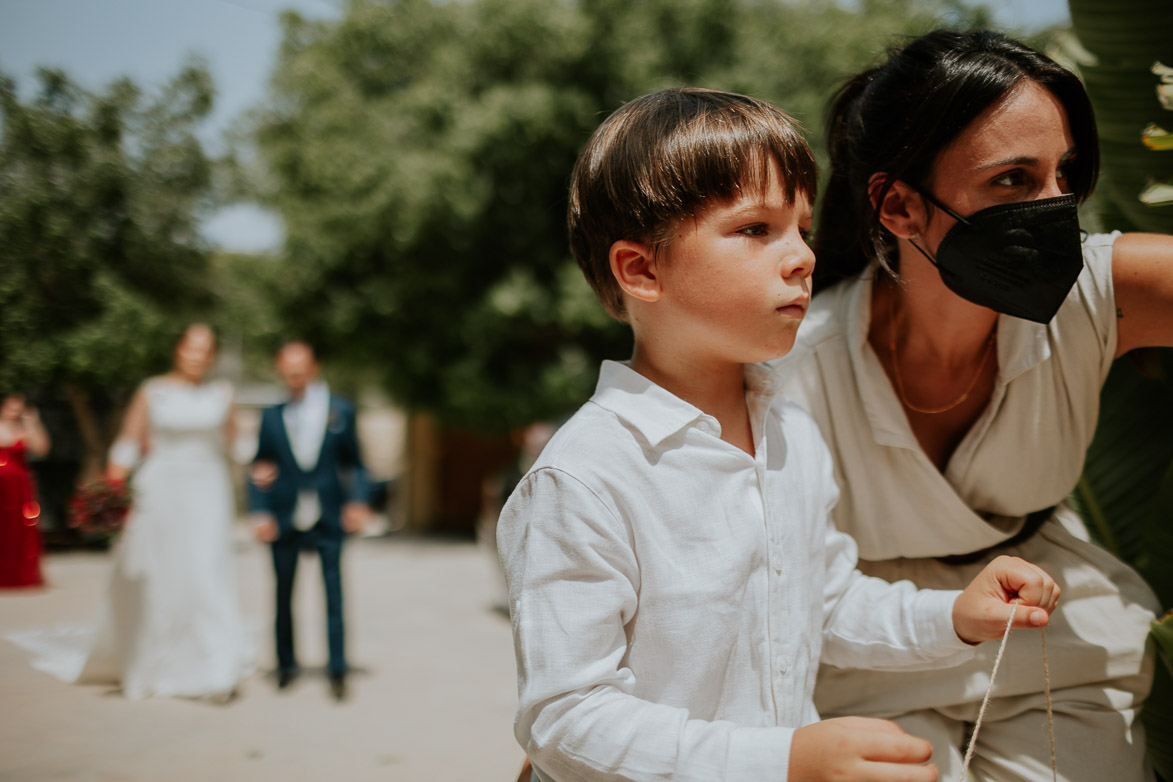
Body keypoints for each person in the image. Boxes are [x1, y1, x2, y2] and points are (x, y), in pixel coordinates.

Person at [496, 86, 1062, 782]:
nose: (801, 258)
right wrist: (781, 760)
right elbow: (566, 718)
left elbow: (821, 601)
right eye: (755, 230)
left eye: (801, 229)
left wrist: (954, 616)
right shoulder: (583, 478)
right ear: (641, 270)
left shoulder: (789, 429)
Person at [770, 28, 1173, 781]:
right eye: (1013, 180)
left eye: (1065, 175)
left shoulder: (1093, 293)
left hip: (1061, 646)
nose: (1054, 206)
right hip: (857, 661)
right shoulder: (792, 368)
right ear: (897, 206)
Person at [9, 323, 254, 701]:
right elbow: (127, 442)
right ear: (178, 350)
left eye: (205, 350)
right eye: (191, 348)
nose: (197, 356)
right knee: (162, 576)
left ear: (213, 357)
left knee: (208, 573)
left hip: (208, 491)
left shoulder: (223, 394)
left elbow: (237, 445)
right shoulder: (153, 390)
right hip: (161, 490)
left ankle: (214, 669)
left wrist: (262, 464)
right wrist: (109, 493)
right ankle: (155, 662)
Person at [247, 341, 371, 702]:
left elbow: (357, 464)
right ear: (280, 372)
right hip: (284, 516)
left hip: (329, 516)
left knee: (334, 596)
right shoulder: (271, 416)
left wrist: (358, 503)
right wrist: (260, 510)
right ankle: (286, 666)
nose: (294, 377)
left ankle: (337, 670)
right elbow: (259, 467)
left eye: (300, 370)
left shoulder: (340, 410)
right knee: (282, 594)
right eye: (287, 371)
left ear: (314, 369)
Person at [0, 392, 51, 588]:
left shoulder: (25, 428)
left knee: (21, 528)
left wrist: (32, 422)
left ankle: (20, 576)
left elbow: (41, 448)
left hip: (19, 487)